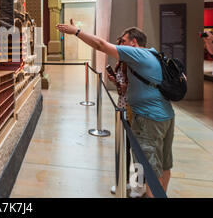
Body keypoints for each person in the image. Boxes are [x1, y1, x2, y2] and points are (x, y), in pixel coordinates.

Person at [57, 21, 175, 198]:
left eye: (123, 41)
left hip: (149, 119)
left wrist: (77, 32)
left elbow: (101, 45)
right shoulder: (153, 54)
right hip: (166, 116)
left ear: (133, 42)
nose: (120, 45)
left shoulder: (137, 54)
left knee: (151, 171)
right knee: (164, 166)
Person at [108, 38, 146, 198]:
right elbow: (122, 91)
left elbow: (142, 87)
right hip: (123, 111)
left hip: (135, 112)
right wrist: (117, 83)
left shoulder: (135, 62)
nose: (119, 46)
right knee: (124, 149)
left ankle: (141, 184)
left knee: (138, 150)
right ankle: (124, 181)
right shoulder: (121, 62)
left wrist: (127, 87)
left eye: (122, 41)